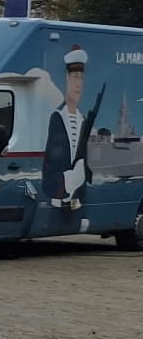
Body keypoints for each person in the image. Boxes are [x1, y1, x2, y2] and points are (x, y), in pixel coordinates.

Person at [43, 45, 106, 216]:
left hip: (79, 204)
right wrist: (67, 181)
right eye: (75, 77)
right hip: (58, 204)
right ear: (67, 79)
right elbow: (50, 166)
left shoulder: (83, 121)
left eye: (81, 78)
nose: (78, 83)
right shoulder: (57, 118)